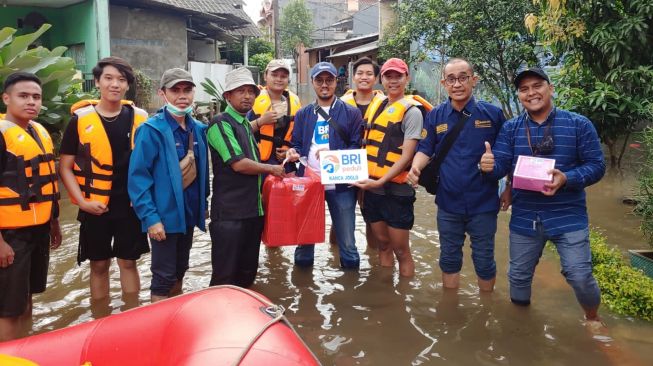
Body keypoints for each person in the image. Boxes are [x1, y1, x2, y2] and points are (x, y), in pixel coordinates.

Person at [479, 68, 605, 321]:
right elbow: (502, 164)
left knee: (579, 275)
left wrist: (567, 178)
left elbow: (597, 166)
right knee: (518, 276)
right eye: (524, 89)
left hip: (568, 214)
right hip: (526, 216)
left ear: (551, 88)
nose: (531, 93)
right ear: (519, 95)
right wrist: (489, 167)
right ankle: (521, 323)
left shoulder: (579, 124)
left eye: (537, 86)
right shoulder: (511, 128)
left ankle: (592, 318)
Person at [407, 58, 508, 291]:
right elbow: (425, 148)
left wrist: (507, 186)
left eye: (463, 77)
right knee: (449, 258)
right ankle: (449, 311)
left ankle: (486, 307)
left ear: (474, 80)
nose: (457, 84)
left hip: (483, 203)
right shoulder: (436, 116)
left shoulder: (493, 115)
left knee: (484, 260)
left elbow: (506, 155)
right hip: (448, 202)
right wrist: (416, 167)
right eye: (451, 79)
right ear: (444, 83)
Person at [59, 57, 149, 303]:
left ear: (128, 86)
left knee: (128, 263)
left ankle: (131, 314)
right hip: (94, 205)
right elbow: (65, 167)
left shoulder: (140, 118)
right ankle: (100, 317)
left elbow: (152, 164)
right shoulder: (79, 120)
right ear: (97, 82)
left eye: (121, 80)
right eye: (108, 78)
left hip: (130, 206)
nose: (115, 84)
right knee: (98, 265)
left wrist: (145, 200)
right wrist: (81, 202)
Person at [128, 68, 210, 302]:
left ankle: (174, 316)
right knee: (162, 277)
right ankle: (159, 328)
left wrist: (203, 205)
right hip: (164, 218)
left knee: (181, 269)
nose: (182, 96)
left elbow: (203, 173)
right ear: (162, 93)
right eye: (175, 90)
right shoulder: (150, 130)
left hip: (189, 214)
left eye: (187, 90)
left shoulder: (198, 129)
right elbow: (138, 179)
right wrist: (151, 219)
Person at [207, 67, 285, 287]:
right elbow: (239, 164)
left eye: (251, 91)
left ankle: (242, 318)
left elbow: (247, 129)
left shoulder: (243, 124)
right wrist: (272, 169)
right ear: (227, 96)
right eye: (240, 91)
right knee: (225, 276)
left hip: (252, 211)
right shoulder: (220, 123)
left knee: (248, 272)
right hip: (230, 215)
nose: (247, 96)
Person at [353, 58, 429, 277]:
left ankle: (403, 299)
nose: (393, 81)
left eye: (398, 76)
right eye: (389, 76)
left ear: (407, 78)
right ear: (382, 80)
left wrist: (380, 180)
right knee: (383, 245)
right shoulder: (377, 104)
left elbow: (406, 157)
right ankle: (385, 291)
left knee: (401, 250)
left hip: (396, 191)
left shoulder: (412, 112)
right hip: (372, 189)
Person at [0, 72, 62, 341]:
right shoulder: (3, 135)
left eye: (36, 97)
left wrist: (54, 222)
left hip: (38, 229)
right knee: (8, 309)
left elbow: (44, 185)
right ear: (6, 98)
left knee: (26, 299)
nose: (31, 102)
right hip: (10, 235)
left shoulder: (37, 131)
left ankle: (25, 350)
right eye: (23, 96)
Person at [286, 62, 364, 269]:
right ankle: (303, 287)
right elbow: (296, 144)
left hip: (341, 186)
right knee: (304, 242)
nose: (324, 84)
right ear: (312, 82)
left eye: (329, 80)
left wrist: (334, 156)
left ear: (335, 82)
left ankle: (351, 289)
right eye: (319, 80)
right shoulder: (303, 114)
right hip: (309, 185)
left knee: (347, 242)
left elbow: (356, 147)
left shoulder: (351, 113)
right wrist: (293, 152)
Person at [248, 59, 302, 165]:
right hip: (258, 162)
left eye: (283, 76)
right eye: (274, 75)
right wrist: (261, 121)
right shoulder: (252, 100)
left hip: (286, 163)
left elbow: (300, 136)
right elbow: (240, 131)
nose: (279, 79)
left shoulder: (295, 102)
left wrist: (291, 151)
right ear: (265, 76)